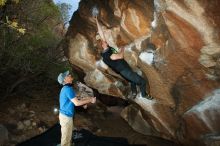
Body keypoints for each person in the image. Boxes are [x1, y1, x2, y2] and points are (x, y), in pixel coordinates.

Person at [57, 70, 96, 146]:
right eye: (68, 76)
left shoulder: (67, 88)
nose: (70, 76)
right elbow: (77, 103)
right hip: (66, 117)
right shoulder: (67, 89)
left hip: (67, 116)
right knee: (65, 139)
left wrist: (83, 103)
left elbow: (74, 99)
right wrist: (90, 99)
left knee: (68, 135)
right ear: (65, 79)